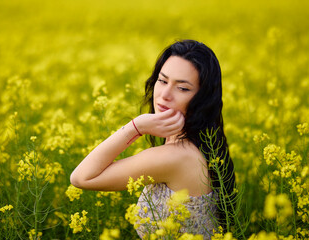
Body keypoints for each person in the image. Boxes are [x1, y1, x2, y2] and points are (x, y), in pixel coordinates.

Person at [70, 39, 235, 239]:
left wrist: (136, 127)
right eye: (162, 80)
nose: (164, 95)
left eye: (182, 88)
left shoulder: (175, 156)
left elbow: (81, 178)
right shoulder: (200, 145)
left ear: (202, 99)